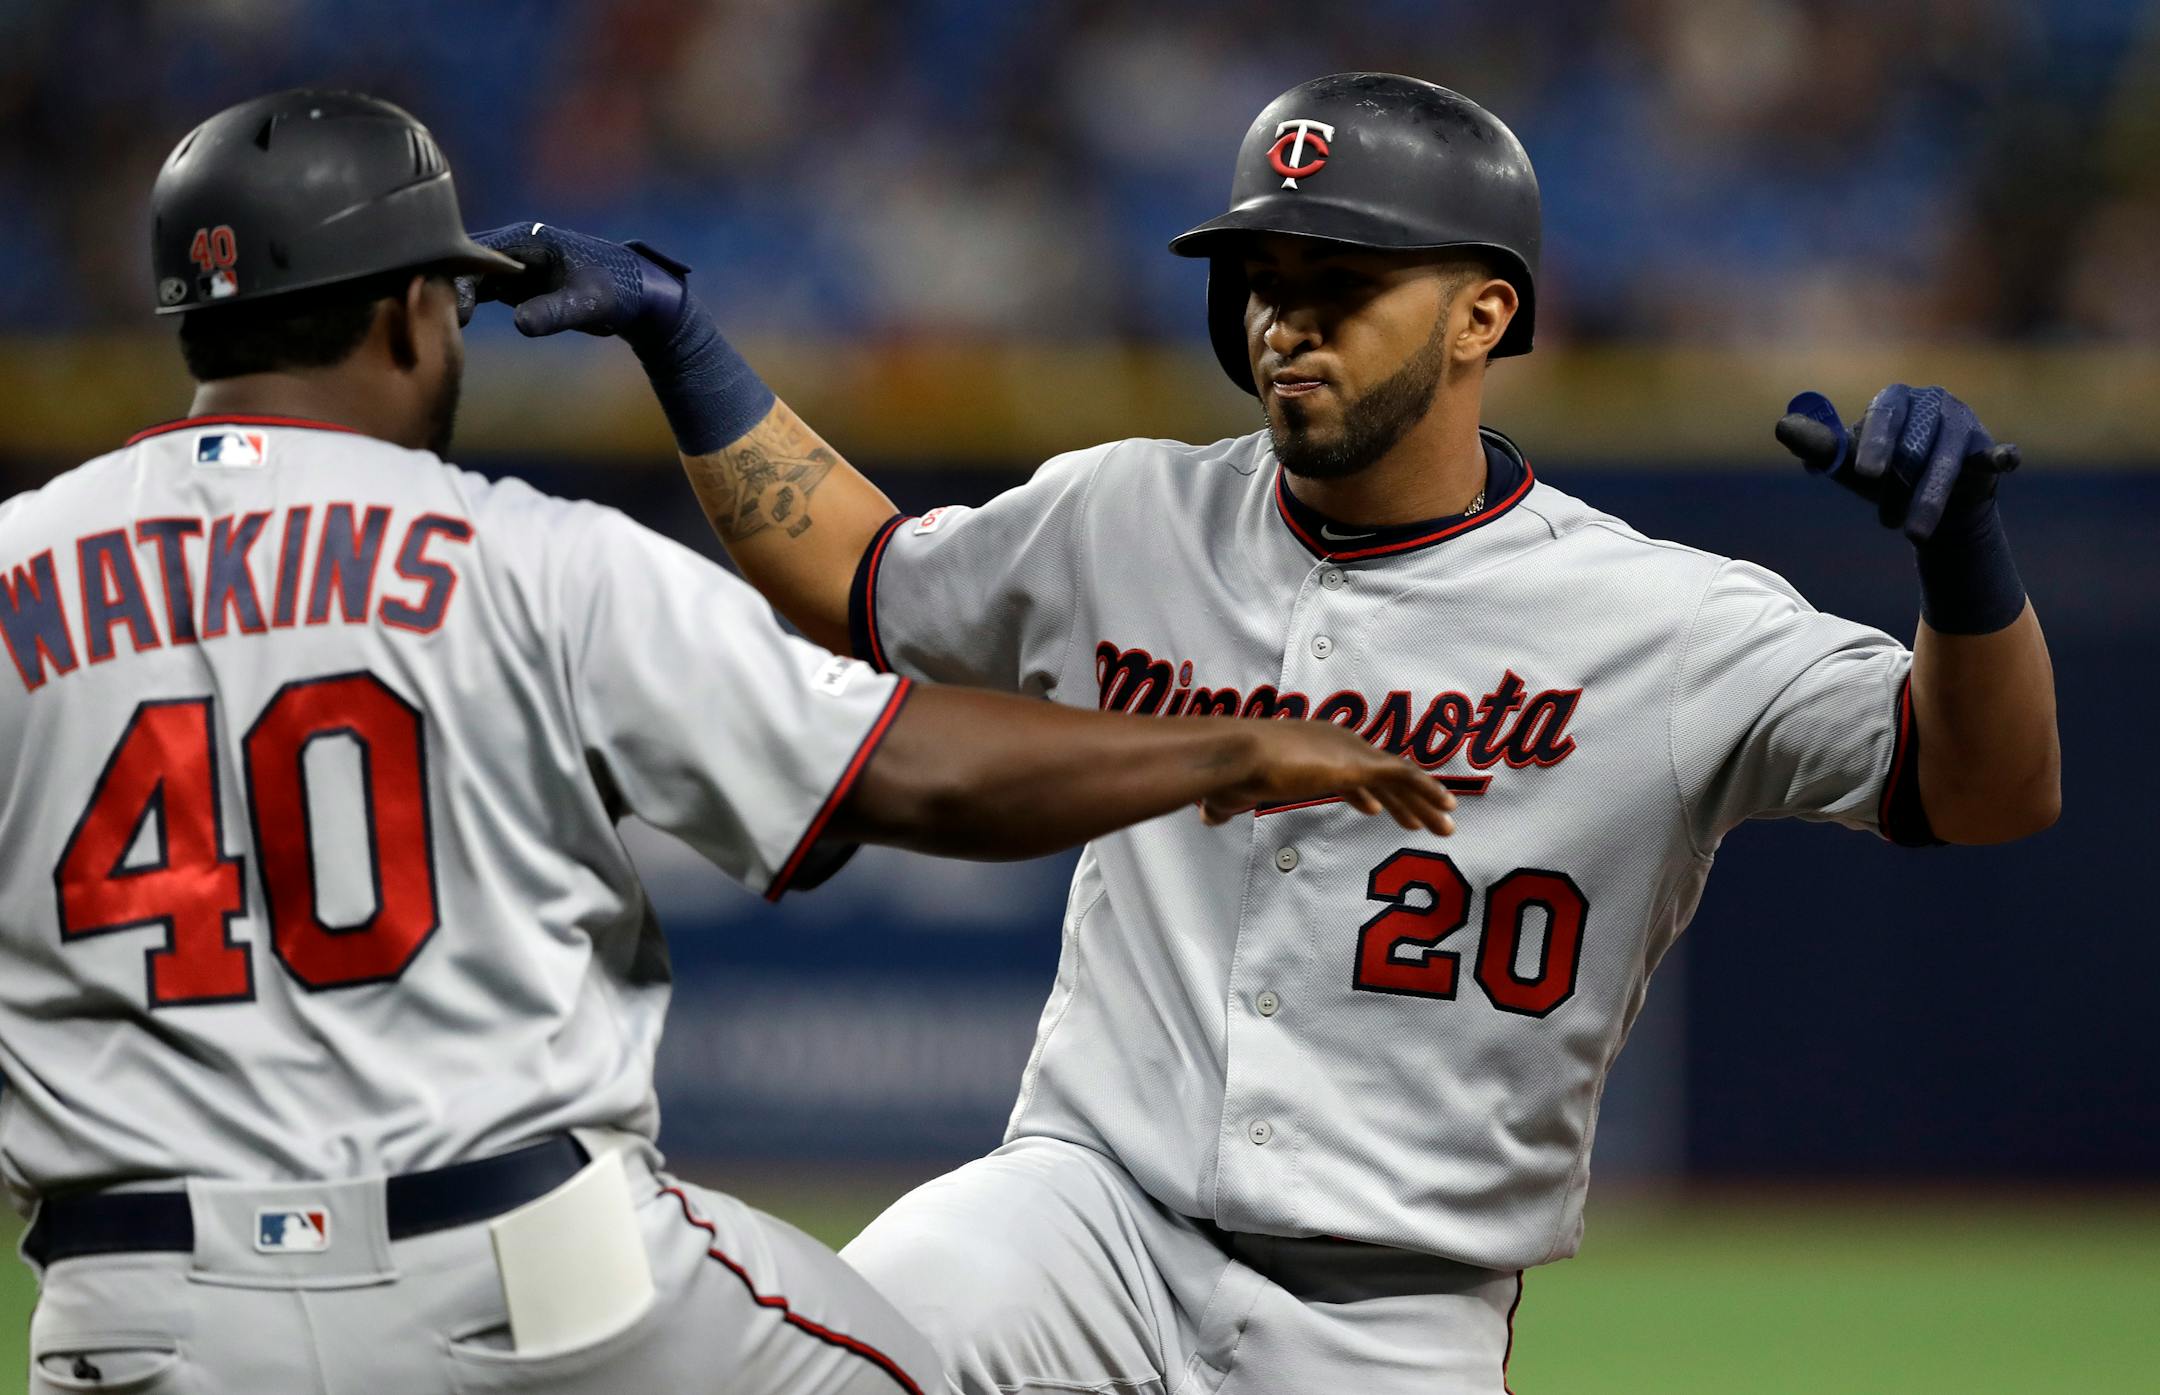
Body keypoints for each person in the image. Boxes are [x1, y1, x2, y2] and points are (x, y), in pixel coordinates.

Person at [471, 71, 2061, 1395]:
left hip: (1398, 1309)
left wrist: (1965, 570)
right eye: (1265, 283)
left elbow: (1981, 789)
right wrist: (689, 350)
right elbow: (865, 581)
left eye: (1344, 286)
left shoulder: (1662, 621)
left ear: (1483, 314)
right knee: (832, 1365)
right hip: (1083, 1215)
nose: (1287, 322)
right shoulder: (1126, 512)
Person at [0, 88, 1458, 1395]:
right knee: (913, 1364)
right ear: (405, 317)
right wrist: (1225, 750)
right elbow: (911, 770)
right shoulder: (531, 561)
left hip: (130, 1307)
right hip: (514, 1274)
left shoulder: (13, 576)